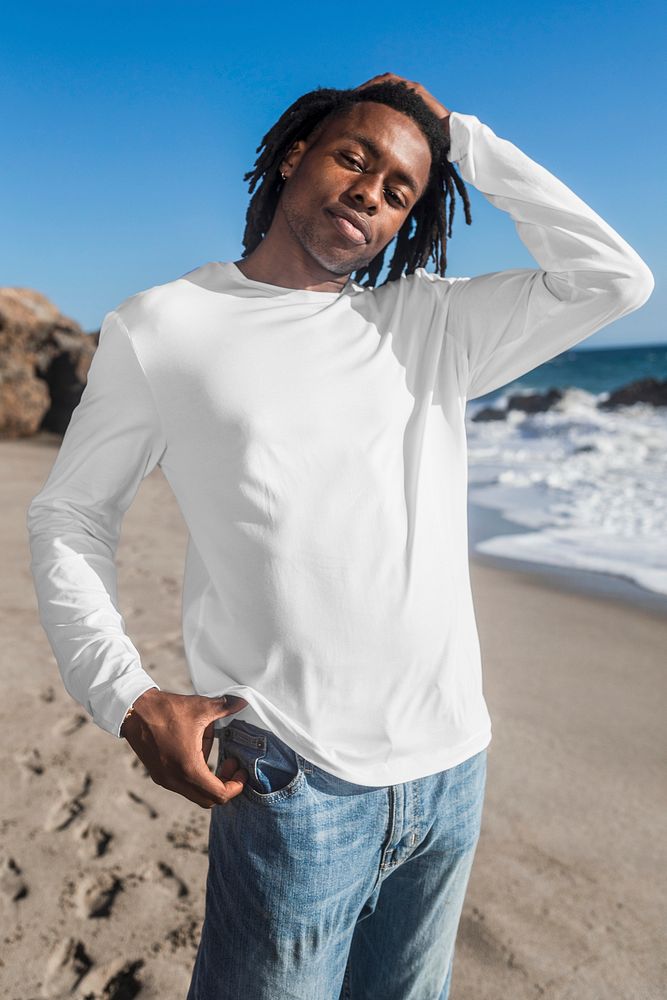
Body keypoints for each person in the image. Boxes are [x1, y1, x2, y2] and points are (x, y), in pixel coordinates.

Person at [26, 72, 654, 999]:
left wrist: (461, 139)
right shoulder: (166, 325)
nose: (371, 190)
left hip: (451, 769)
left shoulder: (429, 323)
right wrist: (124, 694)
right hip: (293, 777)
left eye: (399, 188)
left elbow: (615, 278)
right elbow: (70, 515)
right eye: (353, 158)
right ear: (292, 158)